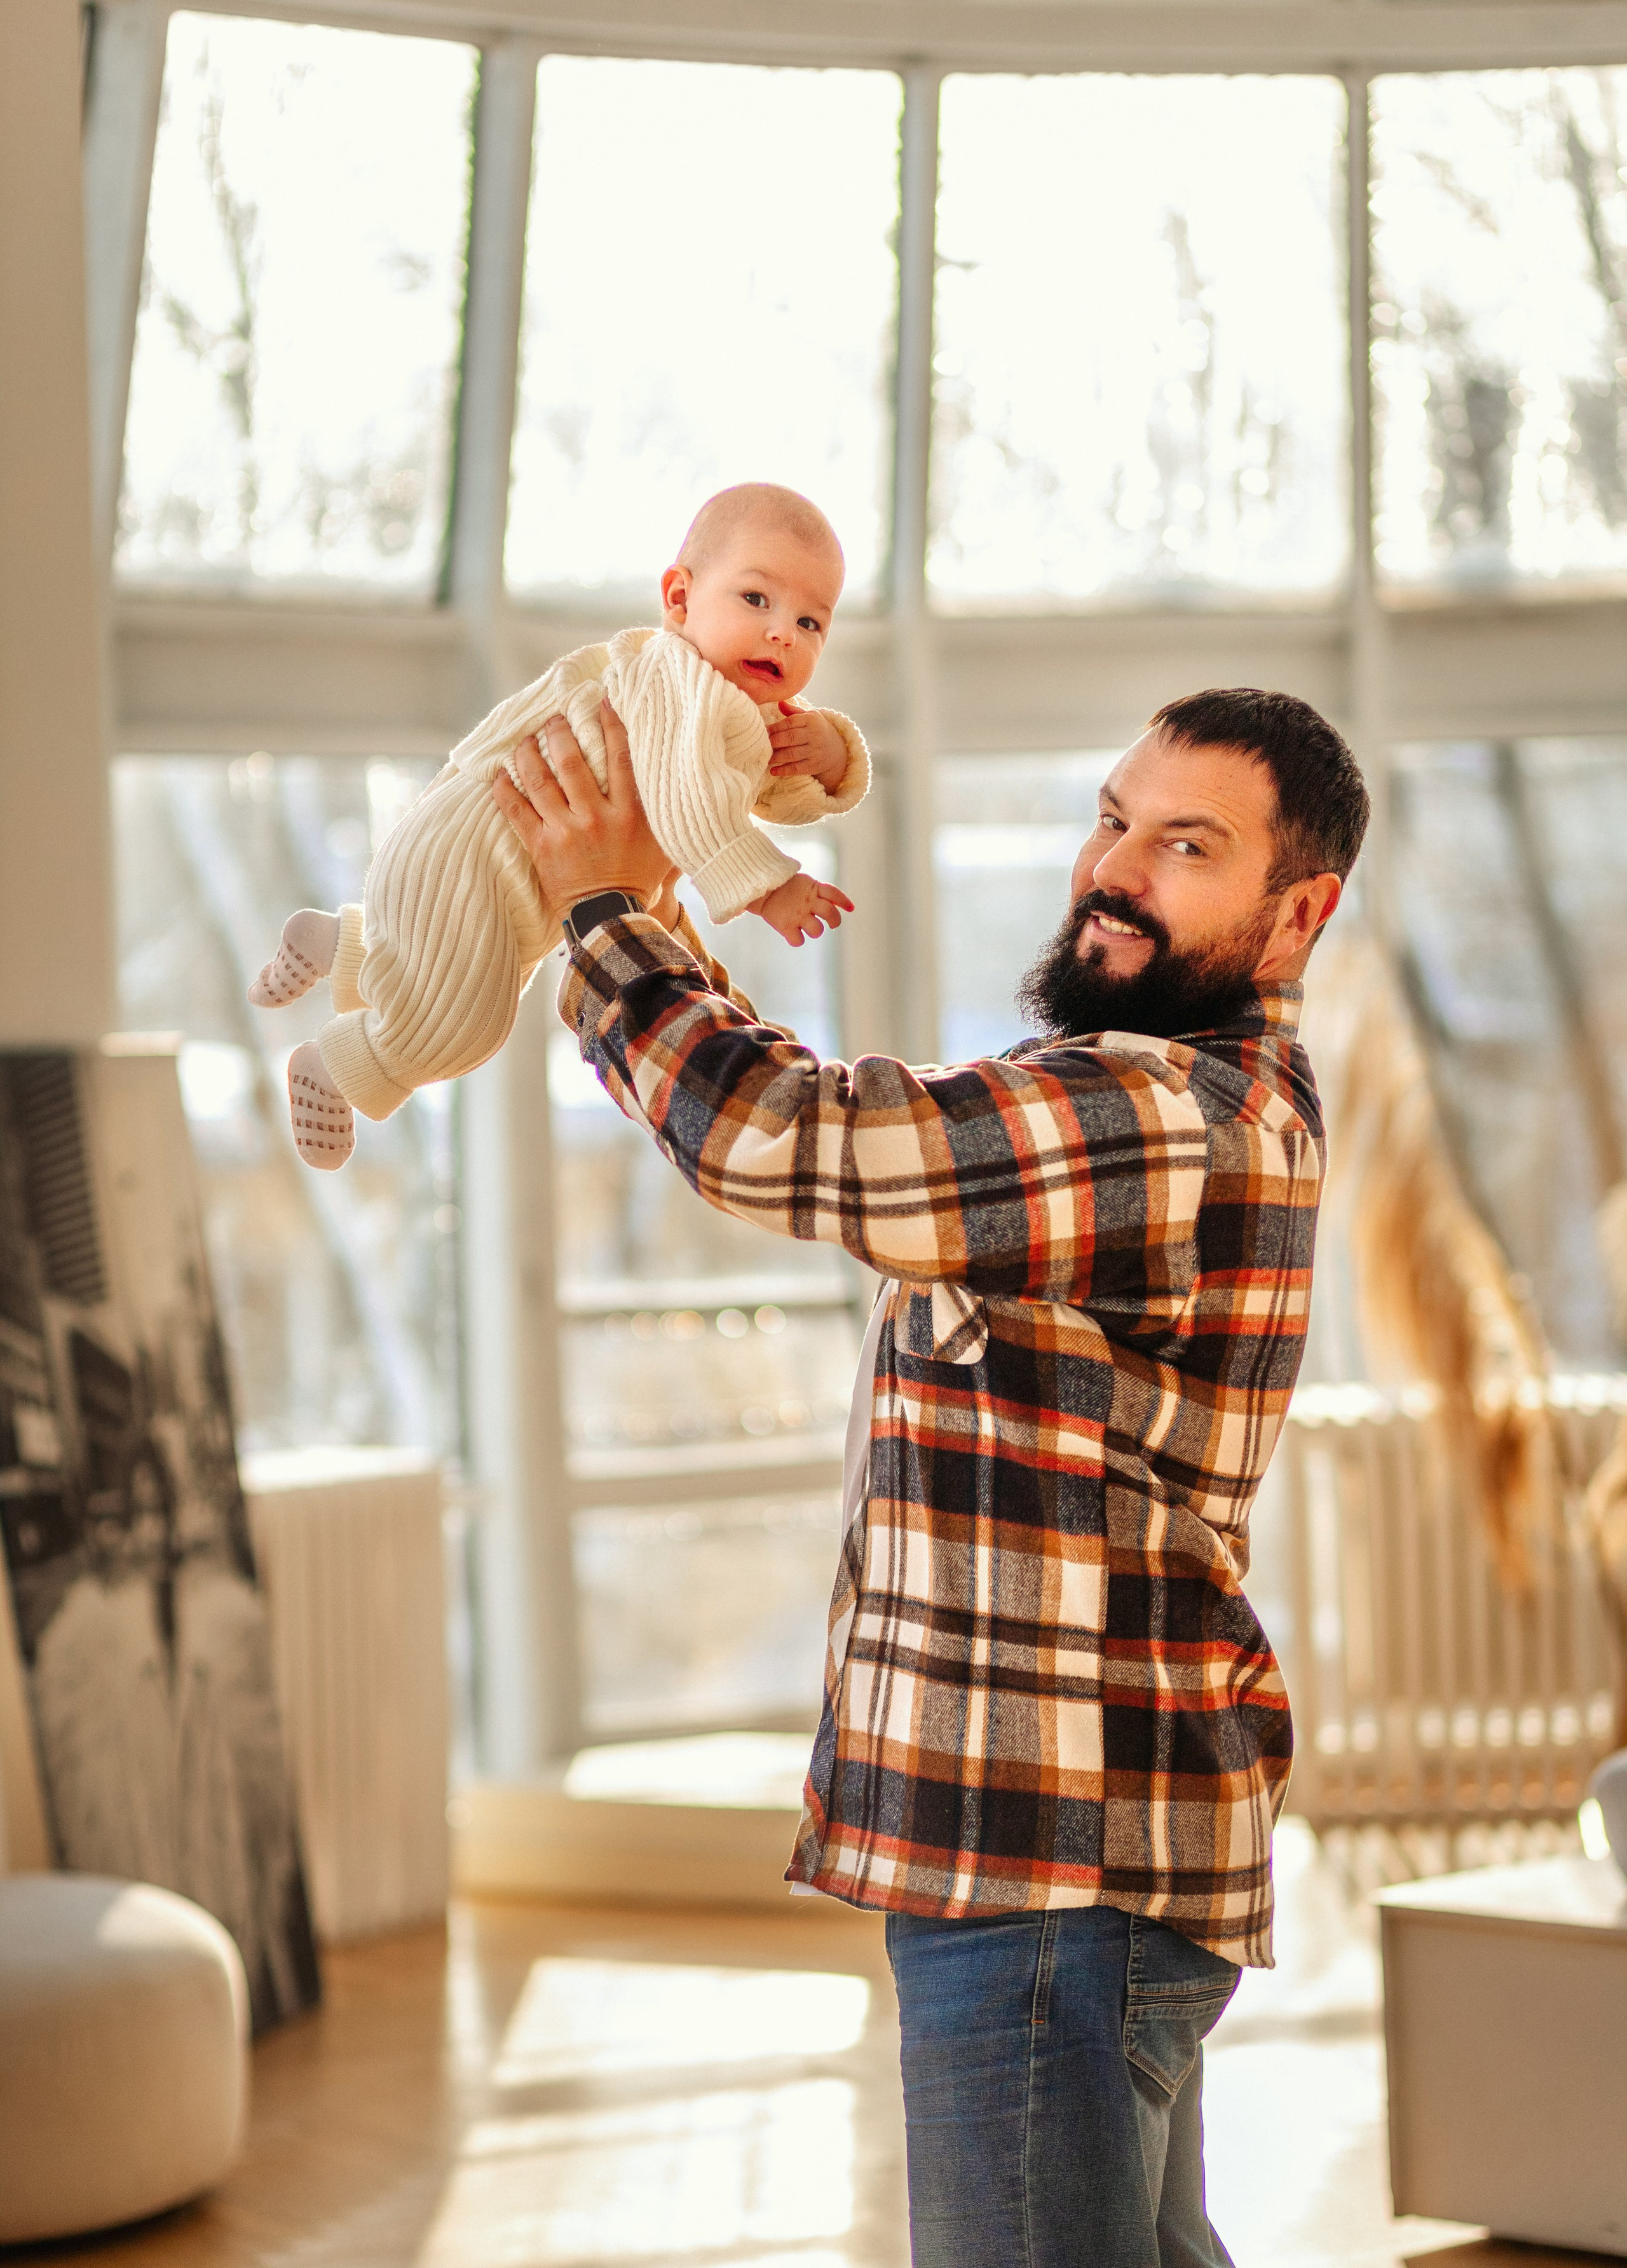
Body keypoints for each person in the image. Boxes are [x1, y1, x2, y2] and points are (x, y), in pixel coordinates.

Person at [493, 683, 1370, 2268]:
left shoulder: (1157, 1112)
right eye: (1111, 819)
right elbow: (836, 1132)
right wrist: (657, 914)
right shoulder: (1170, 1091)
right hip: (1078, 1845)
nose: (1114, 870)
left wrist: (604, 915)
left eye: (1186, 846)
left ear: (1297, 912)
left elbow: (784, 1133)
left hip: (1052, 1861)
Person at [247, 483, 866, 1168]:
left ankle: (343, 945)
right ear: (679, 598)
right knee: (466, 1023)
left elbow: (775, 791)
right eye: (756, 599)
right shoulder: (678, 682)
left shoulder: (737, 708)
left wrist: (832, 756)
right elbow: (690, 801)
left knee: (453, 964)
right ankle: (336, 1067)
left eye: (811, 623)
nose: (783, 632)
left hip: (477, 858)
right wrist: (769, 889)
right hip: (477, 855)